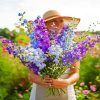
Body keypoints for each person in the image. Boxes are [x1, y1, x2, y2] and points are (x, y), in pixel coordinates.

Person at [29, 10, 80, 100]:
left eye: (61, 21)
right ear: (45, 25)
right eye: (54, 21)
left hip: (66, 92)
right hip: (41, 93)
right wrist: (42, 81)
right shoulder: (34, 46)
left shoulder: (71, 44)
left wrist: (67, 82)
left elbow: (76, 73)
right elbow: (31, 75)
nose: (59, 24)